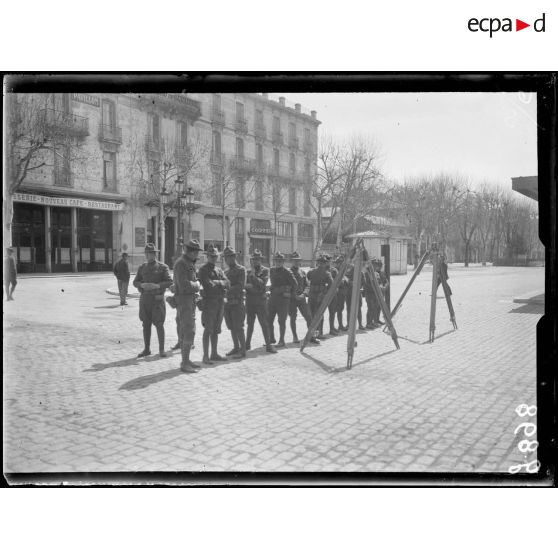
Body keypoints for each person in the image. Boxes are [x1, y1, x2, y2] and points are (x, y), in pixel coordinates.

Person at [133, 243, 173, 358]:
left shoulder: (162, 267)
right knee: (146, 325)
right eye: (149, 253)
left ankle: (161, 349)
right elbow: (135, 282)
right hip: (145, 299)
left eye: (153, 253)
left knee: (159, 324)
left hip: (157, 300)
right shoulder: (142, 267)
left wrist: (157, 286)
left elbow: (170, 281)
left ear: (156, 254)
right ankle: (147, 349)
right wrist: (142, 284)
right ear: (145, 254)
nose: (151, 255)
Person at [173, 239, 202, 372]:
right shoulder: (181, 264)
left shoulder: (188, 263)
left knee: (189, 330)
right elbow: (184, 285)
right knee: (189, 330)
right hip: (184, 301)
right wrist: (197, 285)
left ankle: (186, 360)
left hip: (189, 301)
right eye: (196, 251)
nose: (197, 254)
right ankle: (184, 363)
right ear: (190, 251)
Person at [198, 244, 228, 364]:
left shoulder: (219, 270)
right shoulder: (203, 270)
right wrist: (221, 284)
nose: (214, 258)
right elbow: (208, 286)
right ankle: (205, 356)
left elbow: (228, 282)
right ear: (207, 256)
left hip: (219, 303)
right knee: (208, 330)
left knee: (216, 330)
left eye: (215, 256)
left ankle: (214, 353)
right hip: (209, 304)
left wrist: (218, 282)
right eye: (211, 256)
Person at [245, 249, 277, 353]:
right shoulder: (248, 271)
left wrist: (253, 277)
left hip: (260, 301)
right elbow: (245, 285)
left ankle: (268, 345)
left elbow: (263, 283)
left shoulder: (265, 270)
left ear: (261, 260)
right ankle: (247, 344)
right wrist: (252, 285)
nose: (256, 261)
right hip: (250, 301)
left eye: (258, 259)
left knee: (264, 323)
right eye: (254, 259)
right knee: (250, 324)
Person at [267, 252, 298, 347]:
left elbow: (295, 284)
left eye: (280, 261)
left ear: (283, 262)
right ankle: (271, 338)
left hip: (283, 300)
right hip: (272, 299)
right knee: (268, 320)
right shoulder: (271, 270)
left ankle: (281, 340)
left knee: (281, 321)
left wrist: (287, 293)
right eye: (276, 261)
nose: (278, 263)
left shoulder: (287, 272)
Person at [288, 251, 319, 344]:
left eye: (298, 261)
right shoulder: (288, 272)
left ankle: (311, 336)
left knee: (309, 317)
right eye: (294, 261)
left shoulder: (302, 272)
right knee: (293, 318)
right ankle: (295, 336)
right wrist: (294, 295)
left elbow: (307, 285)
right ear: (291, 262)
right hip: (292, 299)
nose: (296, 262)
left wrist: (304, 294)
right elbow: (286, 286)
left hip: (301, 298)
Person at [223, 246, 247, 359]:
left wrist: (227, 288)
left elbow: (240, 285)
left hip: (237, 302)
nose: (227, 260)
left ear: (234, 257)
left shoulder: (241, 269)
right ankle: (236, 347)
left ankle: (243, 351)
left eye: (229, 257)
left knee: (239, 327)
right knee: (231, 327)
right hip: (228, 304)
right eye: (226, 258)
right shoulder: (225, 271)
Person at [307, 253, 333, 340]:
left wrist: (324, 292)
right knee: (317, 316)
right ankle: (316, 334)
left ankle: (315, 334)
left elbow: (331, 286)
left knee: (316, 315)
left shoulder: (313, 272)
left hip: (316, 296)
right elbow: (331, 285)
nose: (322, 264)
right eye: (321, 262)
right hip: (316, 296)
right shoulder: (325, 273)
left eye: (323, 262)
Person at [345, 263, 365, 330]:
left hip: (356, 293)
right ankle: (349, 325)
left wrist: (359, 285)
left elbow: (363, 282)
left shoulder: (361, 273)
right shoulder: (349, 272)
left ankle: (359, 324)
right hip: (350, 293)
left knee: (358, 309)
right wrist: (351, 282)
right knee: (349, 309)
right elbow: (345, 280)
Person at [371, 257, 389, 326]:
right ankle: (373, 321)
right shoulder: (372, 273)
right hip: (375, 293)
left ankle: (377, 319)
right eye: (377, 265)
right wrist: (379, 287)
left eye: (380, 265)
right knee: (374, 307)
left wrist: (385, 287)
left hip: (382, 292)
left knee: (379, 307)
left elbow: (386, 281)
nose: (379, 267)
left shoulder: (381, 273)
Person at [325, 254, 339, 335]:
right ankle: (319, 331)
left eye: (329, 261)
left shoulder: (334, 270)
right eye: (327, 261)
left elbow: (338, 280)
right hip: (323, 294)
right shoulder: (321, 270)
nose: (328, 263)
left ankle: (332, 328)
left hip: (333, 294)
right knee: (320, 314)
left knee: (332, 312)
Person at [334, 255, 349, 331]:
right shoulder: (334, 271)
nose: (340, 265)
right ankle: (333, 327)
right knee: (334, 310)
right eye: (339, 263)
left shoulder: (343, 272)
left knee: (340, 309)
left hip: (342, 294)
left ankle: (340, 325)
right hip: (336, 294)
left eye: (341, 263)